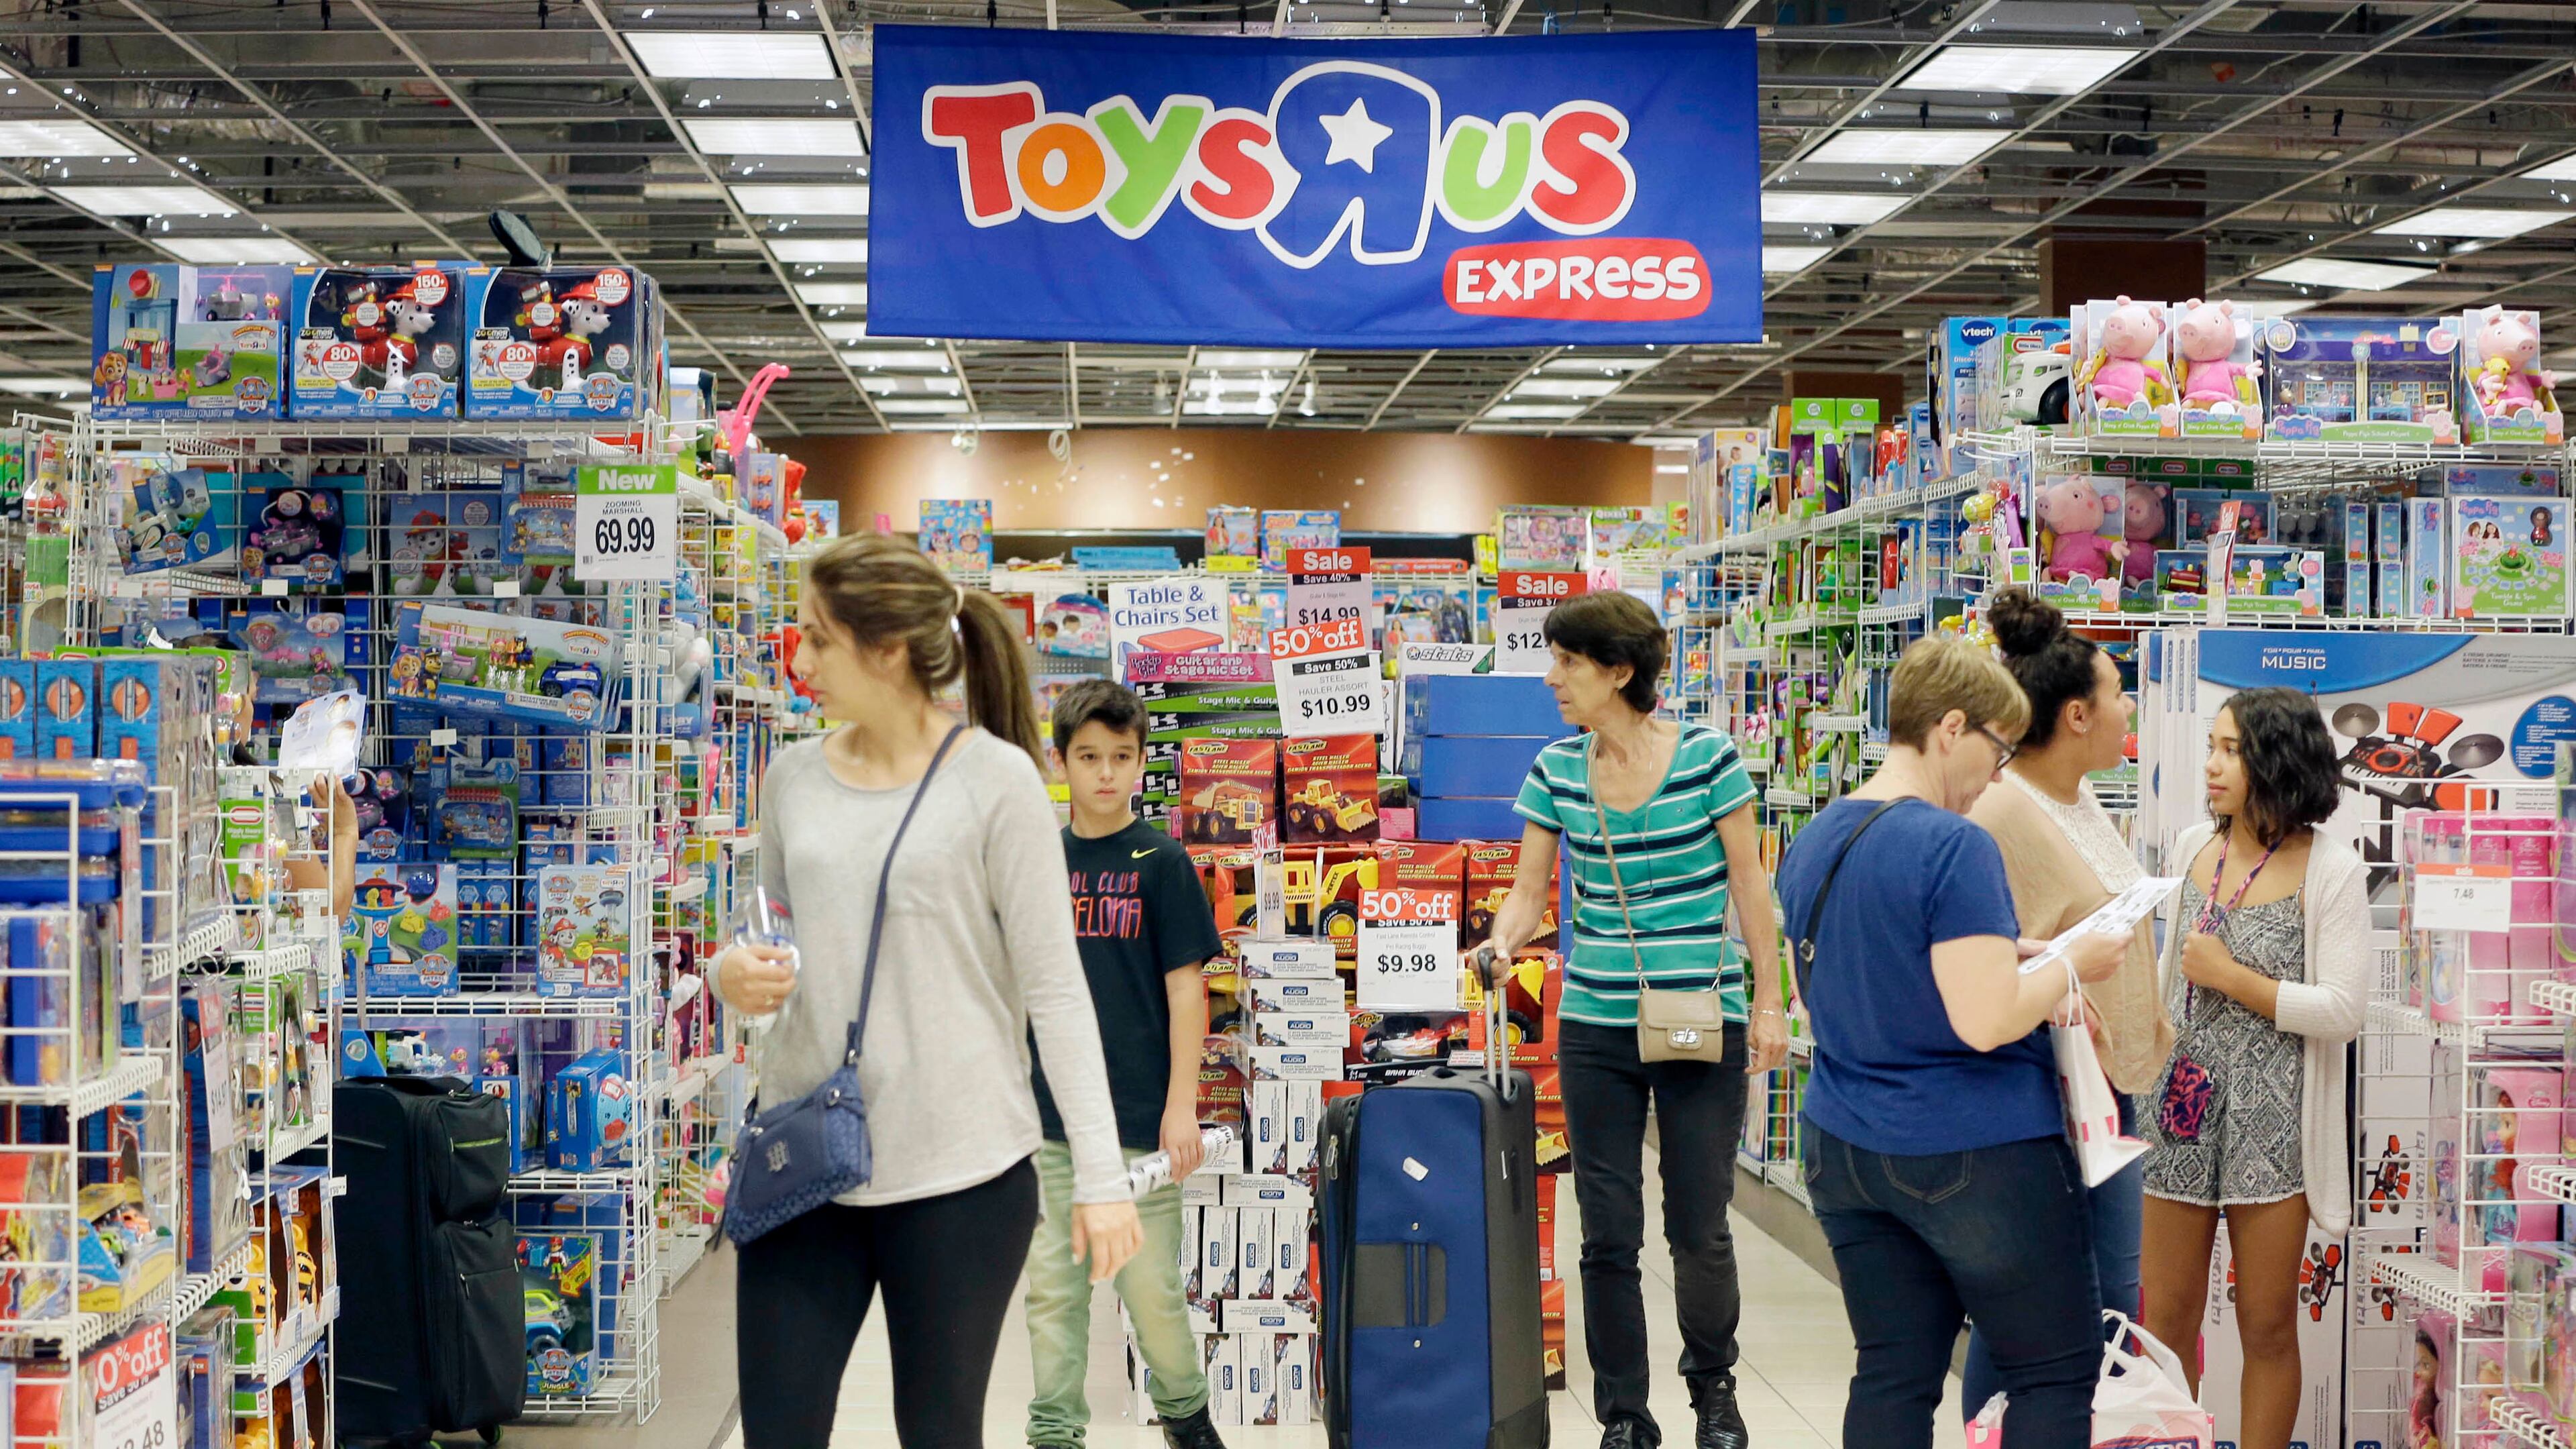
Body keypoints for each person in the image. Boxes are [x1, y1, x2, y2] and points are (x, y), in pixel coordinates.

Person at [714, 533, 1143, 1449]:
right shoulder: (791, 777)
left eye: (820, 639)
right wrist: (729, 971)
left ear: (889, 651)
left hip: (961, 1177)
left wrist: (1101, 1178)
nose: (801, 660)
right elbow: (764, 928)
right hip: (804, 1162)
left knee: (940, 1433)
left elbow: (1057, 990)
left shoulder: (999, 783)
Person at [1772, 633, 2126, 1449]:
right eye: (1997, 750)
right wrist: (2070, 963)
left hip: (1844, 1144)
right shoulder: (1953, 844)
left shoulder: (1821, 835)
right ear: (1952, 728)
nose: (1996, 775)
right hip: (1975, 1151)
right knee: (2052, 1373)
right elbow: (1986, 1018)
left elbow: (1850, 981)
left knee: (1893, 1372)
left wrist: (2016, 955)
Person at [1483, 590, 1784, 1449]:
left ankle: (1714, 1393)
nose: (1552, 680)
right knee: (1608, 1229)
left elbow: (1751, 890)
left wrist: (1769, 1003)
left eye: (1568, 664)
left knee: (1698, 1223)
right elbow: (1528, 895)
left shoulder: (1709, 758)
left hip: (1702, 1017)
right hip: (1596, 1028)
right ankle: (1625, 1414)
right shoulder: (1557, 771)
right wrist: (1502, 943)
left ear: (1619, 672)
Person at [1960, 589, 2174, 1417]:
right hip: (2044, 1092)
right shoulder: (2003, 810)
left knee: (2109, 1291)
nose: (2131, 711)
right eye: (2121, 694)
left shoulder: (2080, 800)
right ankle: (2002, 1432)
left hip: (2104, 1086)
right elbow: (1982, 957)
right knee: (2035, 1300)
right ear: (2078, 714)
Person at [2137, 687, 2368, 1449]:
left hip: (2276, 1123)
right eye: (2211, 747)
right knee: (2163, 1316)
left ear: (2278, 758)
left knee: (2266, 1322)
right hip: (2182, 1111)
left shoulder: (2329, 870)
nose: (2211, 766)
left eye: (2231, 750)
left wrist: (2236, 977)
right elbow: (2172, 979)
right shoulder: (2190, 850)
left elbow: (2343, 1009)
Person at [1022, 680, 1227, 1449]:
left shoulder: (1162, 861)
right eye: (1088, 757)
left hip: (1143, 1116)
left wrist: (1183, 1104)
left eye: (1120, 757)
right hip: (1050, 1123)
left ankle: (1185, 1414)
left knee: (1153, 1293)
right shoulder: (1037, 856)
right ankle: (1053, 1434)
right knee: (1054, 1291)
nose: (1105, 773)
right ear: (1060, 761)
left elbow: (1187, 994)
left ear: (1142, 763)